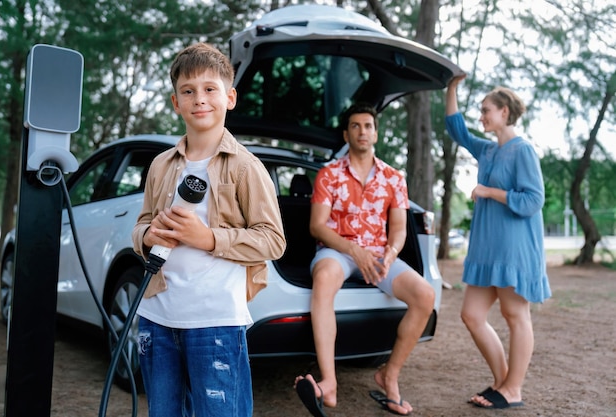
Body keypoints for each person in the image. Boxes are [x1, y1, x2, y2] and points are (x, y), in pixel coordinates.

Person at [132, 42, 286, 417]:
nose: (199, 99)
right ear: (175, 102)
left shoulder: (246, 168)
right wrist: (148, 237)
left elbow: (273, 240)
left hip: (214, 321)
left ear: (230, 97)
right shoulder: (160, 166)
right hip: (157, 316)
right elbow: (141, 225)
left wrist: (209, 238)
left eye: (209, 89)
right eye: (188, 91)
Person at [294, 103, 436, 416]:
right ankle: (328, 383)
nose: (362, 131)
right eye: (356, 126)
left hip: (378, 253)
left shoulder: (393, 177)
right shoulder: (329, 174)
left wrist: (391, 252)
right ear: (347, 134)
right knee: (324, 278)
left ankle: (390, 375)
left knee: (425, 295)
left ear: (375, 131)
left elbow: (398, 228)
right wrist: (352, 250)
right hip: (336, 250)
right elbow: (317, 226)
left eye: (368, 125)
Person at [445, 74, 551, 409]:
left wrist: (489, 191)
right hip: (487, 249)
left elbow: (534, 199)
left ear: (504, 112)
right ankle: (503, 381)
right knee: (471, 315)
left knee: (515, 315)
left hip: (514, 249)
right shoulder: (489, 149)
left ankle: (512, 389)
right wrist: (451, 89)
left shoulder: (523, 151)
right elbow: (457, 131)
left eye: (486, 110)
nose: (482, 116)